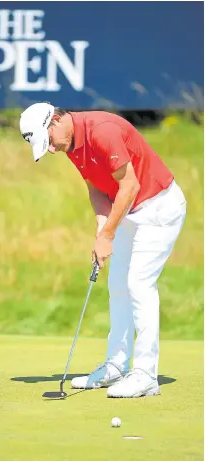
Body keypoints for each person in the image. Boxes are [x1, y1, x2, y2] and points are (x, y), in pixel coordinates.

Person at [19, 102, 186, 398]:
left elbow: (130, 186)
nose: (53, 151)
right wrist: (101, 225)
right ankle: (116, 366)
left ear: (56, 120)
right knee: (118, 286)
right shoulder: (70, 143)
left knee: (139, 284)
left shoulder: (102, 131)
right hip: (129, 211)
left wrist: (108, 234)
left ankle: (146, 375)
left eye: (50, 143)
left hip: (158, 207)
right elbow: (95, 187)